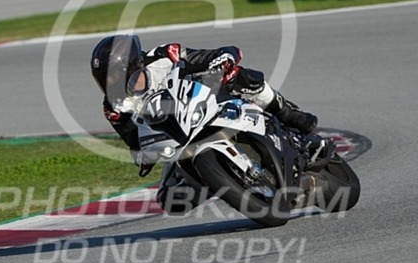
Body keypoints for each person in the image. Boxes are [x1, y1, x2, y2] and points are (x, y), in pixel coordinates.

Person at [90, 34, 318, 214]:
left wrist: (223, 58)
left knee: (239, 76)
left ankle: (287, 112)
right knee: (170, 200)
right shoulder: (114, 107)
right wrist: (144, 157)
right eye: (104, 78)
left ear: (132, 64)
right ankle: (217, 180)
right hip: (176, 139)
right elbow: (133, 140)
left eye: (113, 76)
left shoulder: (164, 56)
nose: (110, 83)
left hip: (204, 104)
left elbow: (204, 57)